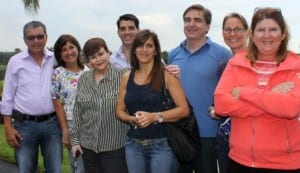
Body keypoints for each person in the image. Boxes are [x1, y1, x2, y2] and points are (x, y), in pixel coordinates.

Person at [214, 7, 300, 173]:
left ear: (283, 34)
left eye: (273, 29)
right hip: (240, 161)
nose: (267, 35)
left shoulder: (295, 66)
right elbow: (221, 105)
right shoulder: (236, 63)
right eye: (261, 30)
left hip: (285, 163)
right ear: (252, 35)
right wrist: (272, 97)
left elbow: (291, 108)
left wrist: (246, 93)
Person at [168, 4, 232, 173]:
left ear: (208, 26)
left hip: (208, 132)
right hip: (180, 132)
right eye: (187, 20)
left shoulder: (222, 54)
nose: (191, 24)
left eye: (197, 20)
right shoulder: (173, 54)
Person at [116, 29, 189, 173]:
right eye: (140, 46)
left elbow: (184, 109)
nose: (144, 50)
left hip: (162, 145)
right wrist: (132, 119)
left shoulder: (167, 76)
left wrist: (154, 117)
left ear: (156, 51)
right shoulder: (126, 77)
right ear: (134, 50)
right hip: (133, 145)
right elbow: (119, 111)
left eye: (149, 46)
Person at [1, 21, 62, 173]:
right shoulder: (15, 62)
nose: (36, 41)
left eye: (39, 36)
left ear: (46, 37)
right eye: (31, 37)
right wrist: (8, 127)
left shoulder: (56, 60)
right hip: (25, 126)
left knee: (55, 169)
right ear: (24, 39)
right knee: (26, 169)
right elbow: (7, 97)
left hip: (53, 125)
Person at [69, 37, 128, 173]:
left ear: (108, 53)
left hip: (115, 148)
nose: (98, 59)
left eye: (101, 54)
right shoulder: (84, 78)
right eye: (93, 57)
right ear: (88, 60)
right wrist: (75, 142)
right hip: (88, 147)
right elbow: (77, 112)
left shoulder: (123, 76)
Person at [208, 12, 248, 173]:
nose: (232, 34)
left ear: (247, 31)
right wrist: (214, 109)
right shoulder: (224, 66)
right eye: (228, 29)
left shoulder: (259, 61)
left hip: (254, 143)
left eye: (237, 29)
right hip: (227, 142)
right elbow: (219, 103)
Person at [51, 34, 89, 173]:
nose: (69, 52)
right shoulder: (58, 73)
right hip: (72, 125)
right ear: (60, 54)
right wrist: (65, 131)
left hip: (90, 125)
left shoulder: (88, 71)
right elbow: (57, 104)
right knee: (78, 166)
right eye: (64, 49)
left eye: (71, 47)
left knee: (91, 165)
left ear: (77, 48)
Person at [111, 13, 180, 77]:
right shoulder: (112, 60)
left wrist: (173, 71)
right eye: (123, 29)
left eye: (131, 28)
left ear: (138, 30)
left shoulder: (151, 56)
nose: (127, 32)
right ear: (118, 32)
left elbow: (164, 75)